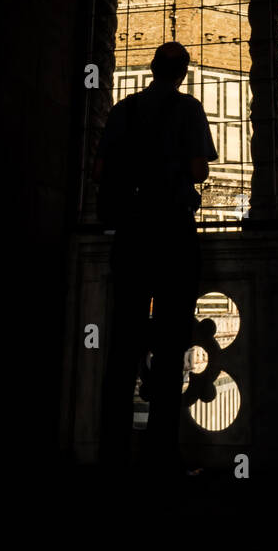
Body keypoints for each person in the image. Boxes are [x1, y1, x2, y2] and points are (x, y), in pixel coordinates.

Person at [92, 42, 217, 475]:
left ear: (150, 68)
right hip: (173, 233)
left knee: (124, 340)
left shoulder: (124, 110)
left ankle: (112, 453)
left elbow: (100, 171)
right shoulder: (189, 110)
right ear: (182, 73)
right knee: (170, 345)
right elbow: (200, 171)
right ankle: (161, 455)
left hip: (131, 232)